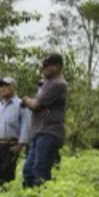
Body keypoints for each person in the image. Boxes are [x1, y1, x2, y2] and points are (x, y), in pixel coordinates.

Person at [21, 53, 68, 188]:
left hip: (49, 132)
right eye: (43, 66)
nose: (43, 69)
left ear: (57, 67)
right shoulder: (46, 84)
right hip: (39, 132)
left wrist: (26, 100)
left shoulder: (58, 84)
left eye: (47, 66)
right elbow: (37, 105)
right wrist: (36, 104)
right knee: (28, 171)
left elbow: (36, 105)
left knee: (39, 172)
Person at [0, 77, 31, 186]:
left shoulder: (21, 104)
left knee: (6, 176)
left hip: (10, 145)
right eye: (1, 86)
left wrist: (20, 144)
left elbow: (26, 124)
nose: (3, 89)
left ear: (13, 88)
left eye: (6, 85)